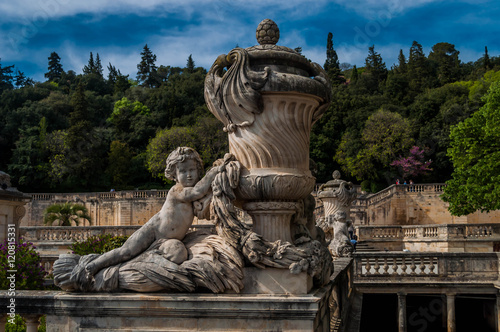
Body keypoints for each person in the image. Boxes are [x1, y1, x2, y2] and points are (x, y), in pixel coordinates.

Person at [85, 147, 221, 278]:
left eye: (192, 170)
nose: (189, 175)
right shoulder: (177, 191)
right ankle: (95, 265)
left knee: (173, 254)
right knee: (125, 252)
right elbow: (198, 191)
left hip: (167, 241)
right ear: (174, 175)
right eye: (183, 171)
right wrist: (214, 171)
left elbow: (205, 197)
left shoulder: (192, 197)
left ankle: (148, 262)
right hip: (154, 230)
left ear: (198, 170)